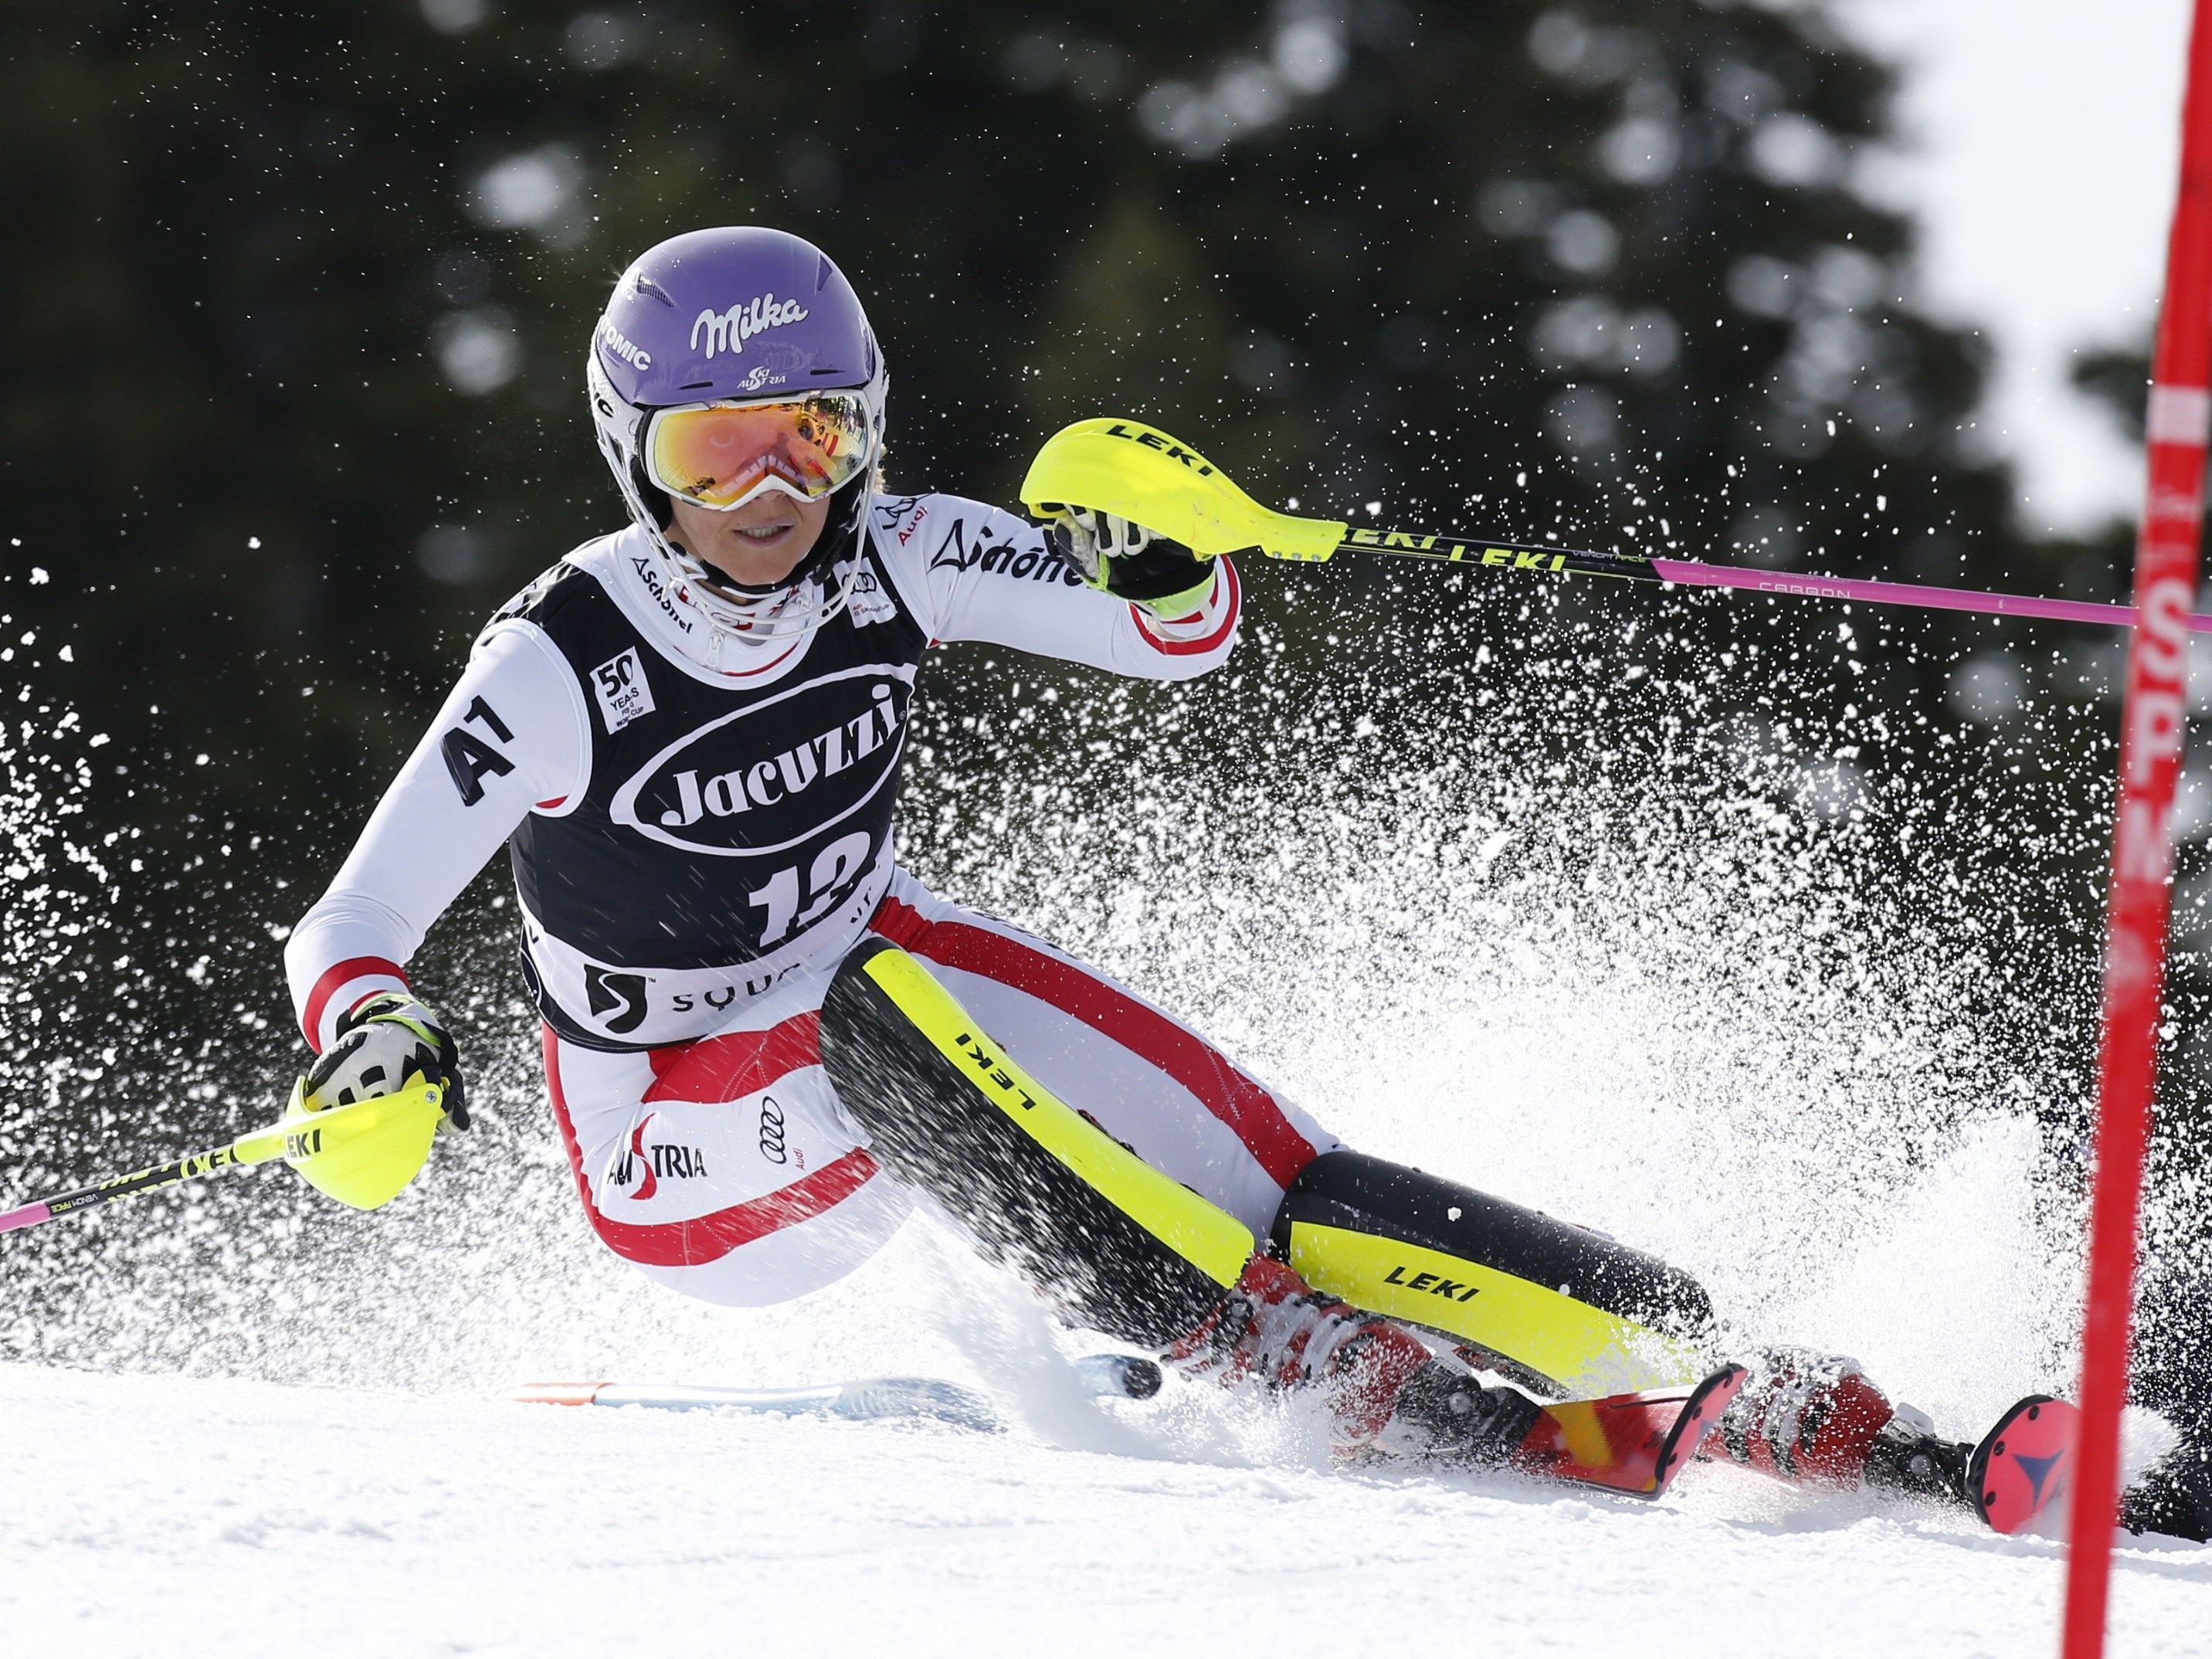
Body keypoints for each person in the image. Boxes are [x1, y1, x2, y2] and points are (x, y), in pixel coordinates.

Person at [284, 226, 2208, 1529]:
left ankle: (1684, 1356)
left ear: (860, 436)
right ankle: (1251, 1343)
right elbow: (350, 923)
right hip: (675, 1137)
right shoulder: (564, 660)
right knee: (882, 1009)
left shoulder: (901, 554)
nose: (772, 501)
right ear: (640, 463)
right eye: (720, 456)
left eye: (811, 440)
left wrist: (1154, 553)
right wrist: (371, 1035)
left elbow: (1178, 641)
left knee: (1261, 1160)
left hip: (885, 1021)